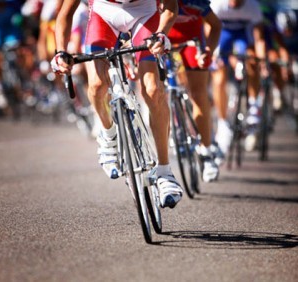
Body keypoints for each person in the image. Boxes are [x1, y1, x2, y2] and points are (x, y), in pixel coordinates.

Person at [51, 0, 183, 209]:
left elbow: (170, 7)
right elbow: (65, 14)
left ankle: (165, 171)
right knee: (96, 84)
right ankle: (108, 134)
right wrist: (60, 52)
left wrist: (162, 33)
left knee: (153, 90)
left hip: (144, 12)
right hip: (105, 13)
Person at [167, 0, 222, 182]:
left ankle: (206, 152)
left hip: (192, 42)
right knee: (157, 89)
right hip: (163, 41)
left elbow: (216, 25)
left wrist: (208, 51)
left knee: (198, 95)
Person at [210, 0, 267, 154]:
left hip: (243, 36)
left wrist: (262, 63)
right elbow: (209, 30)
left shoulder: (252, 7)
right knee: (219, 76)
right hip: (222, 35)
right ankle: (222, 123)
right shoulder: (218, 5)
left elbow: (259, 39)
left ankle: (254, 105)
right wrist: (213, 55)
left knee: (252, 61)